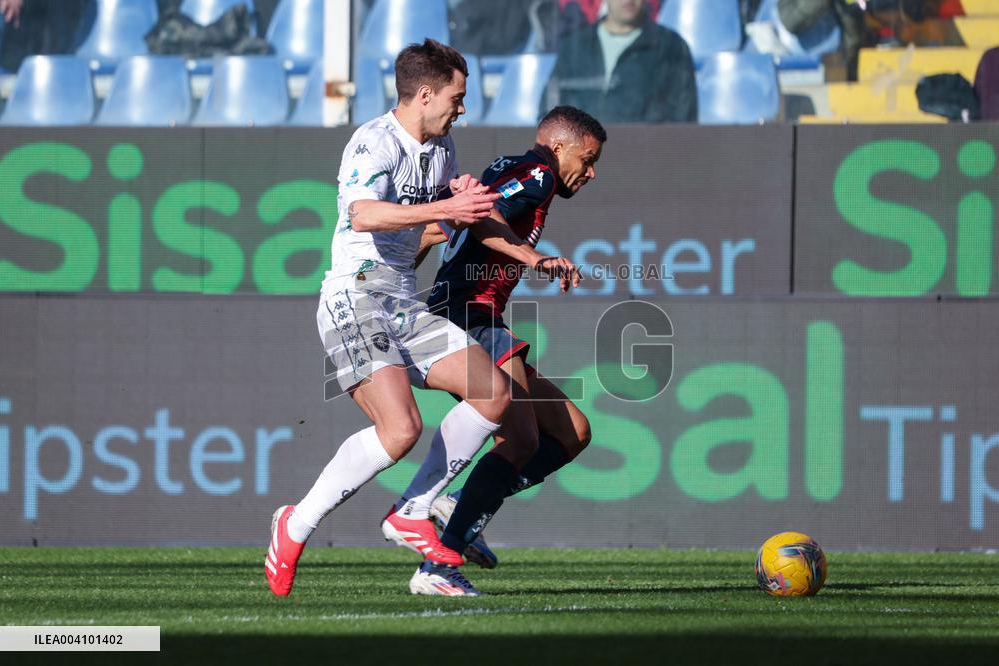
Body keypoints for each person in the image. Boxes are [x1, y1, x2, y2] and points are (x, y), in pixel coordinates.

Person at [265, 39, 511, 599]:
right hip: (354, 297)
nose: (462, 107)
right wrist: (445, 208)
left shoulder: (441, 145)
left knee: (494, 394)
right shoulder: (371, 142)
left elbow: (423, 228)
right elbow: (363, 214)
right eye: (457, 96)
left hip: (400, 300)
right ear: (424, 94)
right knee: (400, 430)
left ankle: (413, 510)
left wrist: (458, 198)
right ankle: (295, 525)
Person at [398, 105, 605, 591]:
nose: (591, 172)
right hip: (467, 316)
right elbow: (482, 213)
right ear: (559, 148)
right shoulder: (536, 175)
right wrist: (536, 258)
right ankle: (439, 563)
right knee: (523, 438)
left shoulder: (524, 174)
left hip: (478, 316)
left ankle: (461, 505)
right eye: (588, 159)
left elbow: (453, 221)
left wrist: (412, 259)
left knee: (573, 430)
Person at [551, 0, 696, 123]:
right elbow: (550, 113)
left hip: (645, 152)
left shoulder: (671, 48)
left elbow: (683, 121)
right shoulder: (574, 48)